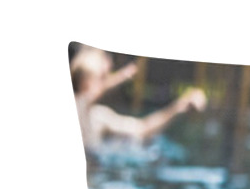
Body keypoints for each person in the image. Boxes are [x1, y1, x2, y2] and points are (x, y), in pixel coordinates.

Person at [70, 46, 207, 150]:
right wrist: (119, 78)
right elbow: (83, 98)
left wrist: (178, 106)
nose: (106, 81)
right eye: (103, 77)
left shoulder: (99, 118)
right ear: (84, 82)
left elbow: (143, 128)